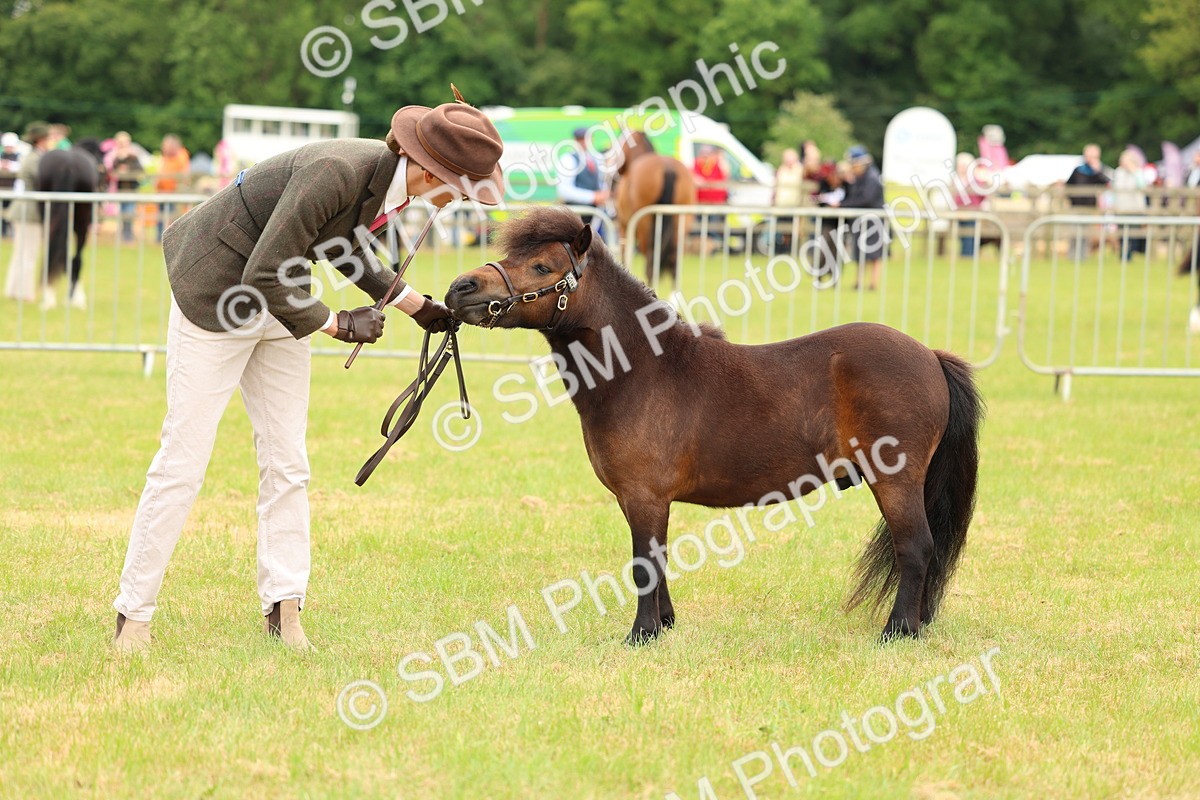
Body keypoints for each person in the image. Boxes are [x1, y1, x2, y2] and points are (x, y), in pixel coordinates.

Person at [111, 88, 505, 654]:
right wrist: (338, 324)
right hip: (216, 294)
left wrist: (417, 306)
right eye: (461, 187)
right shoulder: (336, 169)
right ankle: (134, 616)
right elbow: (264, 267)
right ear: (427, 169)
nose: (460, 199)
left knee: (288, 462)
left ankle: (284, 610)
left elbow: (341, 246)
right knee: (183, 461)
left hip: (280, 302)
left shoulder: (380, 177)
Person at [3, 122, 51, 303]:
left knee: (21, 251)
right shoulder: (35, 159)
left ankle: (13, 289)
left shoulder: (32, 157)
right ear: (40, 140)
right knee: (28, 252)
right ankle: (25, 292)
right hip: (29, 211)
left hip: (25, 209)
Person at [840, 145, 887, 291]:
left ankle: (873, 283)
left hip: (874, 221)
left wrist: (844, 204)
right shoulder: (858, 178)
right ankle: (858, 282)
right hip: (861, 221)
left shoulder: (872, 177)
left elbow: (866, 199)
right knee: (860, 252)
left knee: (874, 254)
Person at [556, 127, 609, 237]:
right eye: (581, 139)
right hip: (577, 216)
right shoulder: (568, 159)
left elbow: (600, 182)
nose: (584, 142)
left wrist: (604, 193)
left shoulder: (595, 159)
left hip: (596, 215)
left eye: (586, 139)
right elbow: (564, 190)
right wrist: (593, 197)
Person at [1112, 148, 1148, 261]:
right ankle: (1123, 254)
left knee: (1133, 233)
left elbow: (1142, 186)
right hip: (1121, 207)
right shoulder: (1118, 172)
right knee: (1122, 233)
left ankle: (1130, 254)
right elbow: (1116, 188)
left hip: (1135, 208)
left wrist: (1133, 171)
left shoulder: (1138, 172)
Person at [108, 132, 144, 243]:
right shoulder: (116, 157)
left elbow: (140, 170)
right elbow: (113, 170)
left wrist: (127, 168)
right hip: (121, 189)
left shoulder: (133, 156)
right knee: (123, 213)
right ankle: (125, 235)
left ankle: (128, 236)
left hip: (131, 189)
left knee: (129, 212)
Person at [154, 134, 191, 241]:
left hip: (173, 193)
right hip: (162, 191)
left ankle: (169, 238)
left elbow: (183, 176)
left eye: (165, 146)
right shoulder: (165, 157)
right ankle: (160, 238)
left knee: (172, 217)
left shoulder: (181, 156)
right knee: (161, 216)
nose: (163, 148)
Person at [953, 153, 989, 256]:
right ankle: (966, 254)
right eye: (959, 166)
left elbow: (983, 196)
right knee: (962, 235)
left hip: (972, 212)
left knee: (970, 234)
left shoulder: (975, 181)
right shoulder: (956, 179)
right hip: (958, 212)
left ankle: (968, 255)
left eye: (963, 166)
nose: (961, 168)